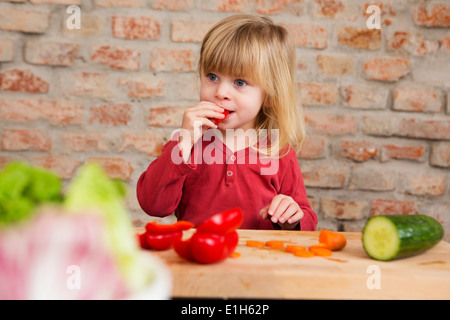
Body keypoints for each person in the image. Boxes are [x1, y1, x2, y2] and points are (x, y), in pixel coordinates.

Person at [137, 14, 317, 230]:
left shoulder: (280, 153)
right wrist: (184, 143)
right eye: (212, 77)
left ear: (269, 96)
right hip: (198, 258)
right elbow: (153, 205)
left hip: (260, 260)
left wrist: (292, 218)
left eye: (240, 82)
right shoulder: (186, 146)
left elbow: (307, 221)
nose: (221, 92)